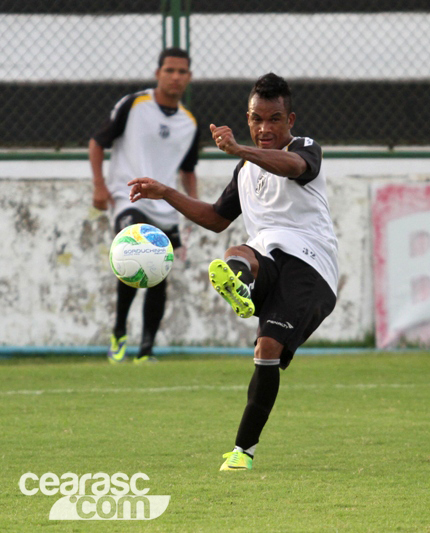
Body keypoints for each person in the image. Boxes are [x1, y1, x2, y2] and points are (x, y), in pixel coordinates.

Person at [128, 73, 338, 471]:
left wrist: (240, 149)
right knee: (241, 259)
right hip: (270, 257)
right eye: (257, 119)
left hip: (311, 265)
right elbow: (215, 217)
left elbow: (294, 167)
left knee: (269, 343)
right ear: (247, 117)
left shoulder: (305, 148)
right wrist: (166, 192)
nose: (265, 128)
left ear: (290, 120)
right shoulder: (245, 170)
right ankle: (242, 453)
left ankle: (241, 282)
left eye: (274, 119)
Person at [90, 47, 199, 364]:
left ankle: (146, 351)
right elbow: (98, 142)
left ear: (189, 78)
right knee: (134, 257)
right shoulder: (134, 105)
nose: (175, 77)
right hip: (130, 197)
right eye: (170, 70)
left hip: (165, 206)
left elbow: (188, 171)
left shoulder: (190, 123)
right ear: (157, 73)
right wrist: (99, 186)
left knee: (159, 274)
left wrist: (191, 214)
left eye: (182, 72)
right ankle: (119, 332)